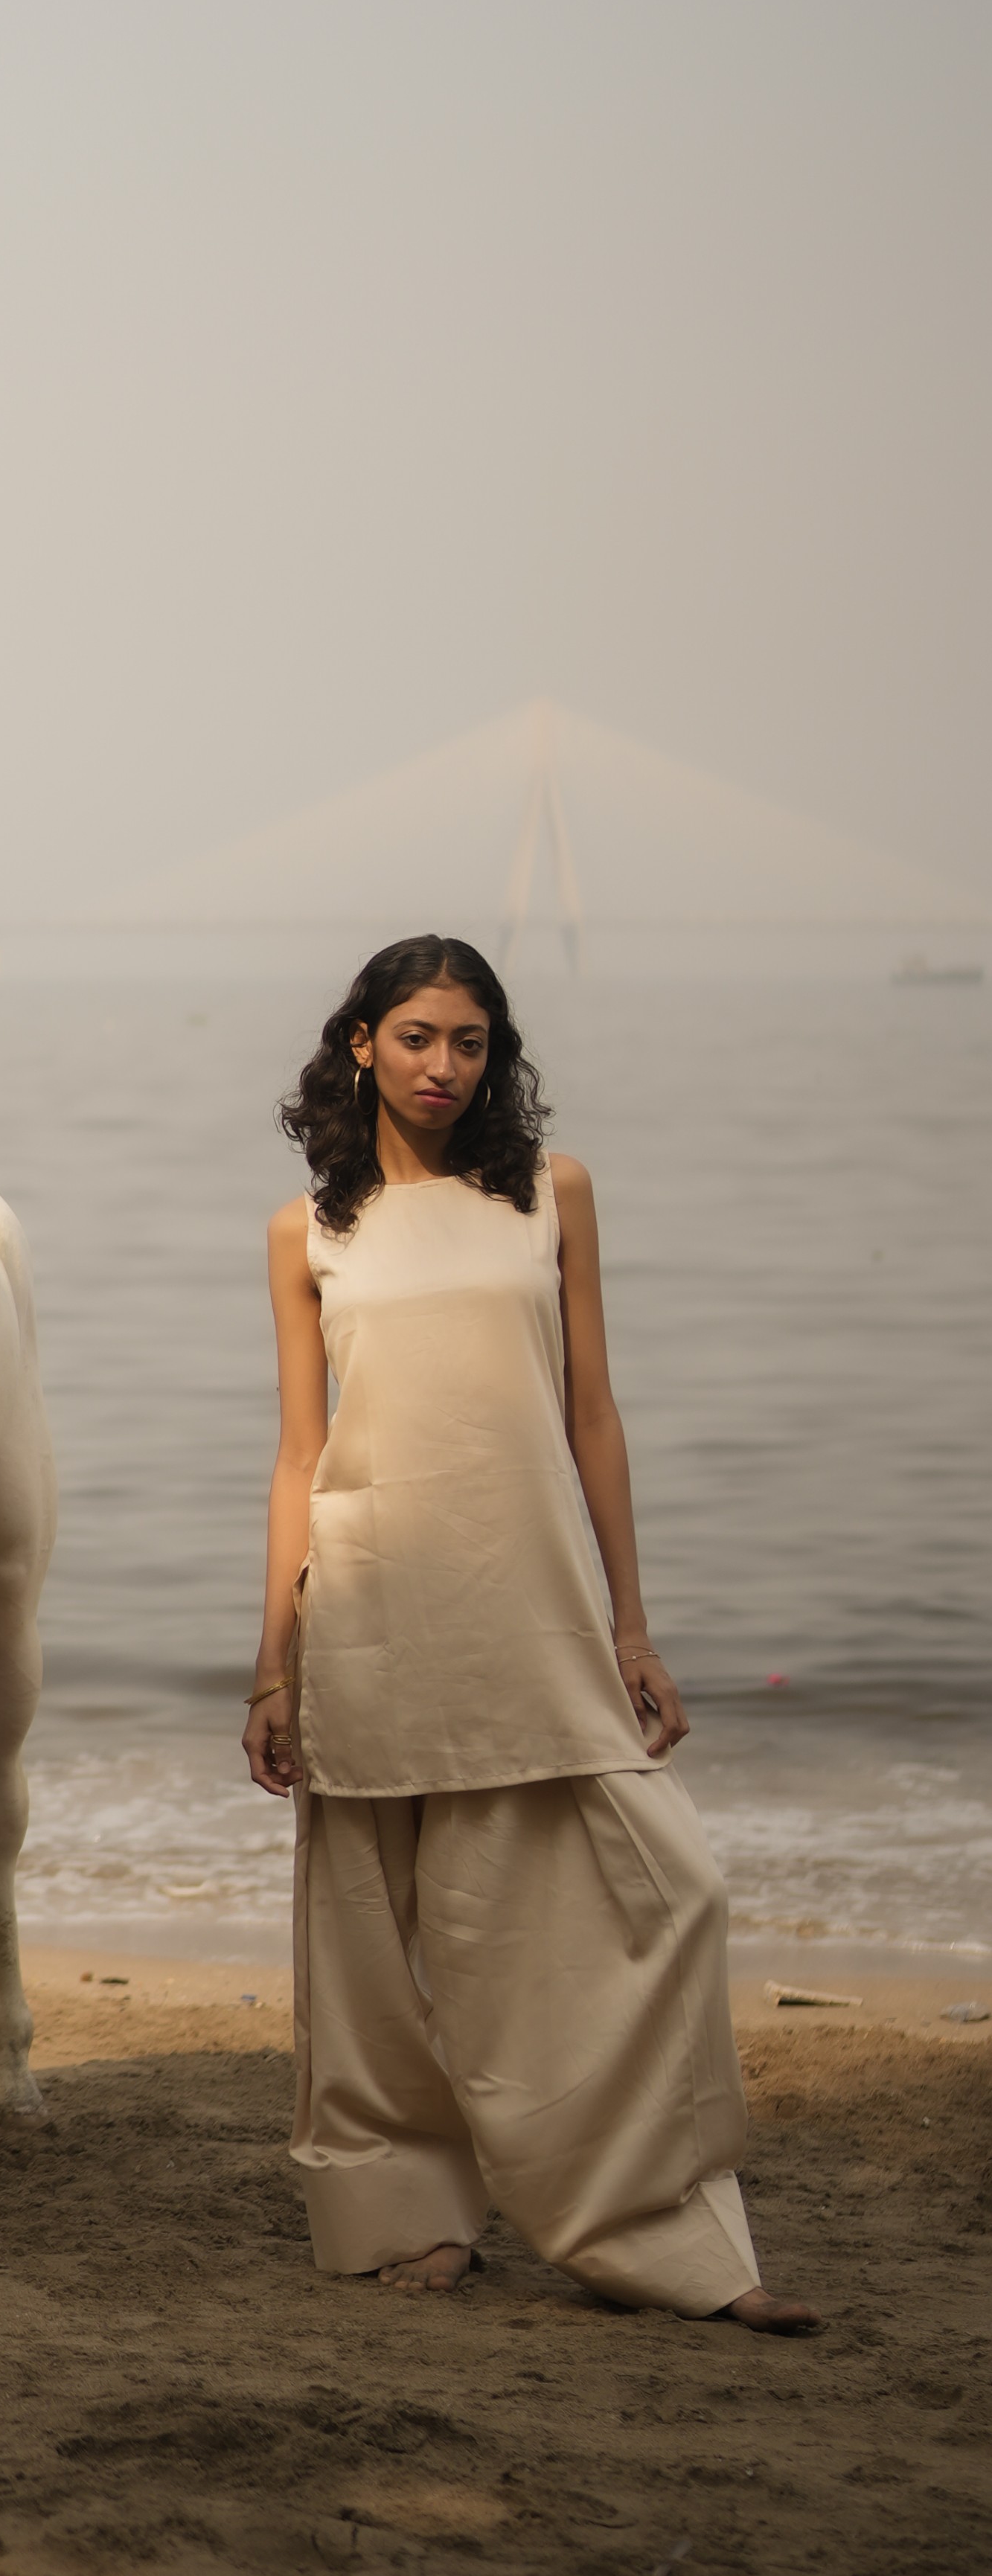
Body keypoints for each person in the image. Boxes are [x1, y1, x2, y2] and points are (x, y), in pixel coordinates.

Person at [244, 935, 816, 2331]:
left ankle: (661, 2228)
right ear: (363, 1042)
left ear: (498, 1055)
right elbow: (299, 1453)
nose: (446, 1067)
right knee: (373, 1932)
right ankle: (404, 2214)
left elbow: (594, 1416)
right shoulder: (308, 1228)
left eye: (473, 1041)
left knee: (668, 1890)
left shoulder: (552, 1197)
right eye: (420, 1037)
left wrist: (635, 1627)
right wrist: (273, 1657)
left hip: (533, 1593)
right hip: (371, 1593)